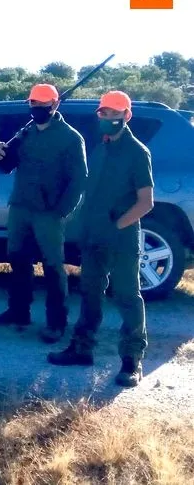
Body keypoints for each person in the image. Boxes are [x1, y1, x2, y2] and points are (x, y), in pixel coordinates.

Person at [48, 91, 153, 388]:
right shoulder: (100, 149)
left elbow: (146, 202)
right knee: (90, 292)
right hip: (92, 237)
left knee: (127, 297)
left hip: (121, 239)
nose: (108, 118)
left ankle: (132, 361)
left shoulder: (137, 152)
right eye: (104, 113)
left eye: (114, 113)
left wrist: (117, 225)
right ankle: (82, 349)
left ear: (127, 115)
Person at [0, 83, 87, 343]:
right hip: (20, 207)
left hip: (48, 212)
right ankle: (19, 312)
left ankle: (57, 323)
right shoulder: (26, 132)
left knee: (53, 267)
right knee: (18, 260)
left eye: (43, 105)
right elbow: (6, 165)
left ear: (55, 105)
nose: (38, 109)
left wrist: (61, 212)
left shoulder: (71, 137)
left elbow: (78, 180)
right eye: (33, 104)